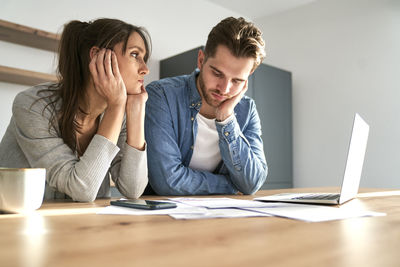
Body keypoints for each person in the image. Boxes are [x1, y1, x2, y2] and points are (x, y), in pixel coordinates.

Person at [0, 18, 150, 201]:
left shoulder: (118, 115)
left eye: (144, 59)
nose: (145, 69)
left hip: (86, 224)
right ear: (97, 56)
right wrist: (117, 105)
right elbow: (81, 189)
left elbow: (133, 189)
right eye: (135, 55)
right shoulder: (33, 105)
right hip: (23, 223)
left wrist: (136, 112)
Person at [145, 17, 268, 195]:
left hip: (222, 216)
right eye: (217, 73)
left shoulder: (247, 110)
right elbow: (168, 181)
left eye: (237, 80)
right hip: (163, 216)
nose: (224, 89)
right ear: (201, 60)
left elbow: (252, 183)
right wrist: (231, 186)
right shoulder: (161, 95)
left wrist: (227, 120)